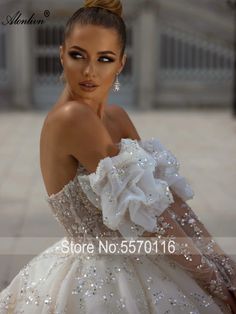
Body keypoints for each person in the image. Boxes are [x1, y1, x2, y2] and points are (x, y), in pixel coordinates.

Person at [0, 0, 236, 313]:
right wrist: (212, 280)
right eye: (77, 55)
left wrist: (222, 264)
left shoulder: (116, 116)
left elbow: (167, 200)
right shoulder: (72, 118)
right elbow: (152, 218)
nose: (89, 71)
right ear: (61, 53)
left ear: (121, 63)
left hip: (146, 256)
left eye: (104, 59)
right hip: (100, 277)